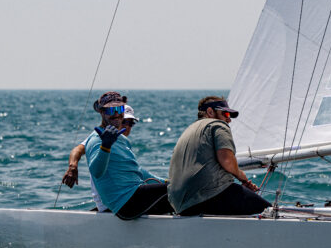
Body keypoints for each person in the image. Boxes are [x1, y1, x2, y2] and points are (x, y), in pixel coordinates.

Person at [70, 91, 173, 219]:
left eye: (119, 109)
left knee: (179, 190)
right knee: (180, 192)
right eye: (111, 110)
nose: (116, 114)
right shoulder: (97, 139)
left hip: (135, 196)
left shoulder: (122, 139)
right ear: (102, 112)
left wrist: (169, 182)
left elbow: (138, 172)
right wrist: (105, 146)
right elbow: (96, 172)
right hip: (125, 204)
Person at [168, 96, 270, 217]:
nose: (229, 119)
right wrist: (242, 177)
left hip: (180, 204)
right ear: (210, 112)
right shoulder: (217, 125)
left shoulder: (189, 130)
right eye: (225, 114)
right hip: (207, 196)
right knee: (269, 212)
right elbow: (227, 161)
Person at [62, 103, 142, 212]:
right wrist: (72, 167)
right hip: (111, 203)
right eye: (124, 122)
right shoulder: (101, 137)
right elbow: (77, 150)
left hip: (124, 196)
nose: (126, 126)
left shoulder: (123, 142)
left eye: (130, 123)